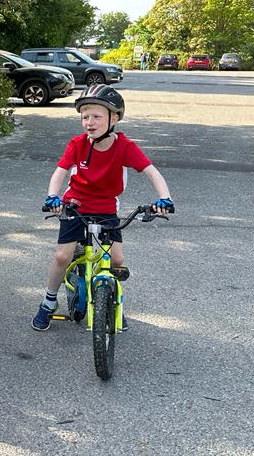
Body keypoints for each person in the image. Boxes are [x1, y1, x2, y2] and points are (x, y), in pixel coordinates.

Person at [32, 84, 174, 331]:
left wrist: (165, 199)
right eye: (84, 117)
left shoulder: (124, 146)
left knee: (117, 260)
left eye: (96, 116)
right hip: (75, 205)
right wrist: (52, 197)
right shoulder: (77, 144)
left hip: (106, 207)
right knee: (62, 256)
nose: (89, 122)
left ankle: (117, 305)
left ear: (114, 118)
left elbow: (152, 172)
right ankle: (49, 301)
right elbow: (60, 173)